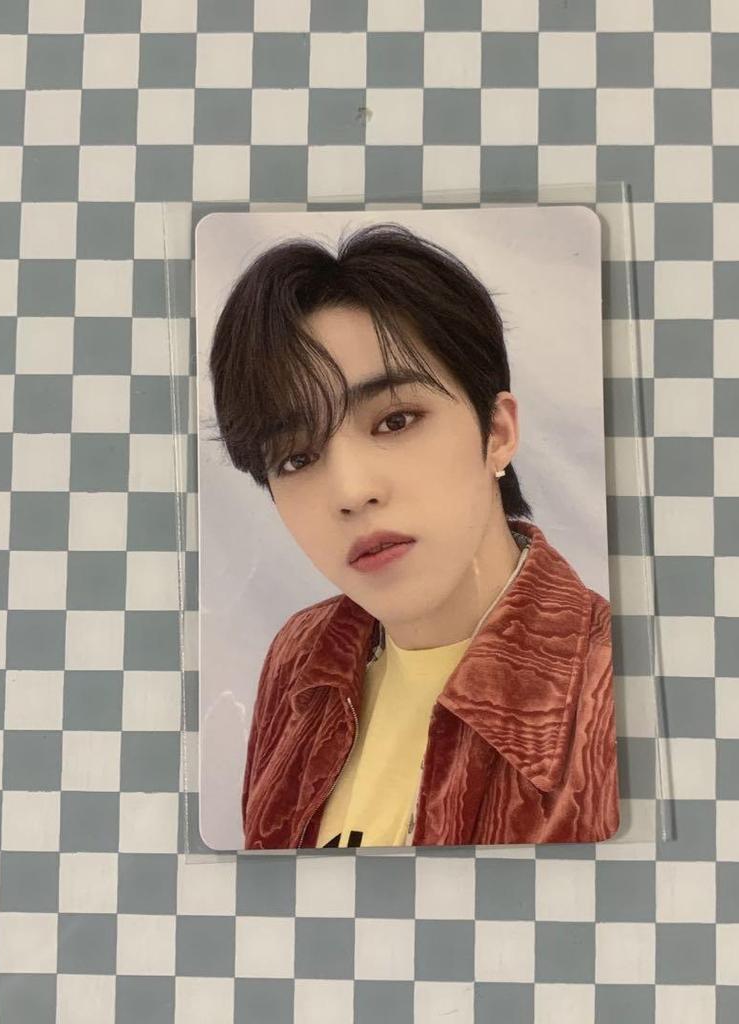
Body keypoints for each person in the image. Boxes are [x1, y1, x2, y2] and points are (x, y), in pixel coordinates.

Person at [208, 221, 619, 849]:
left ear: (497, 432)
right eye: (295, 458)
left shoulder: (619, 690)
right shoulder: (302, 658)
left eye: (396, 420)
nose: (350, 491)